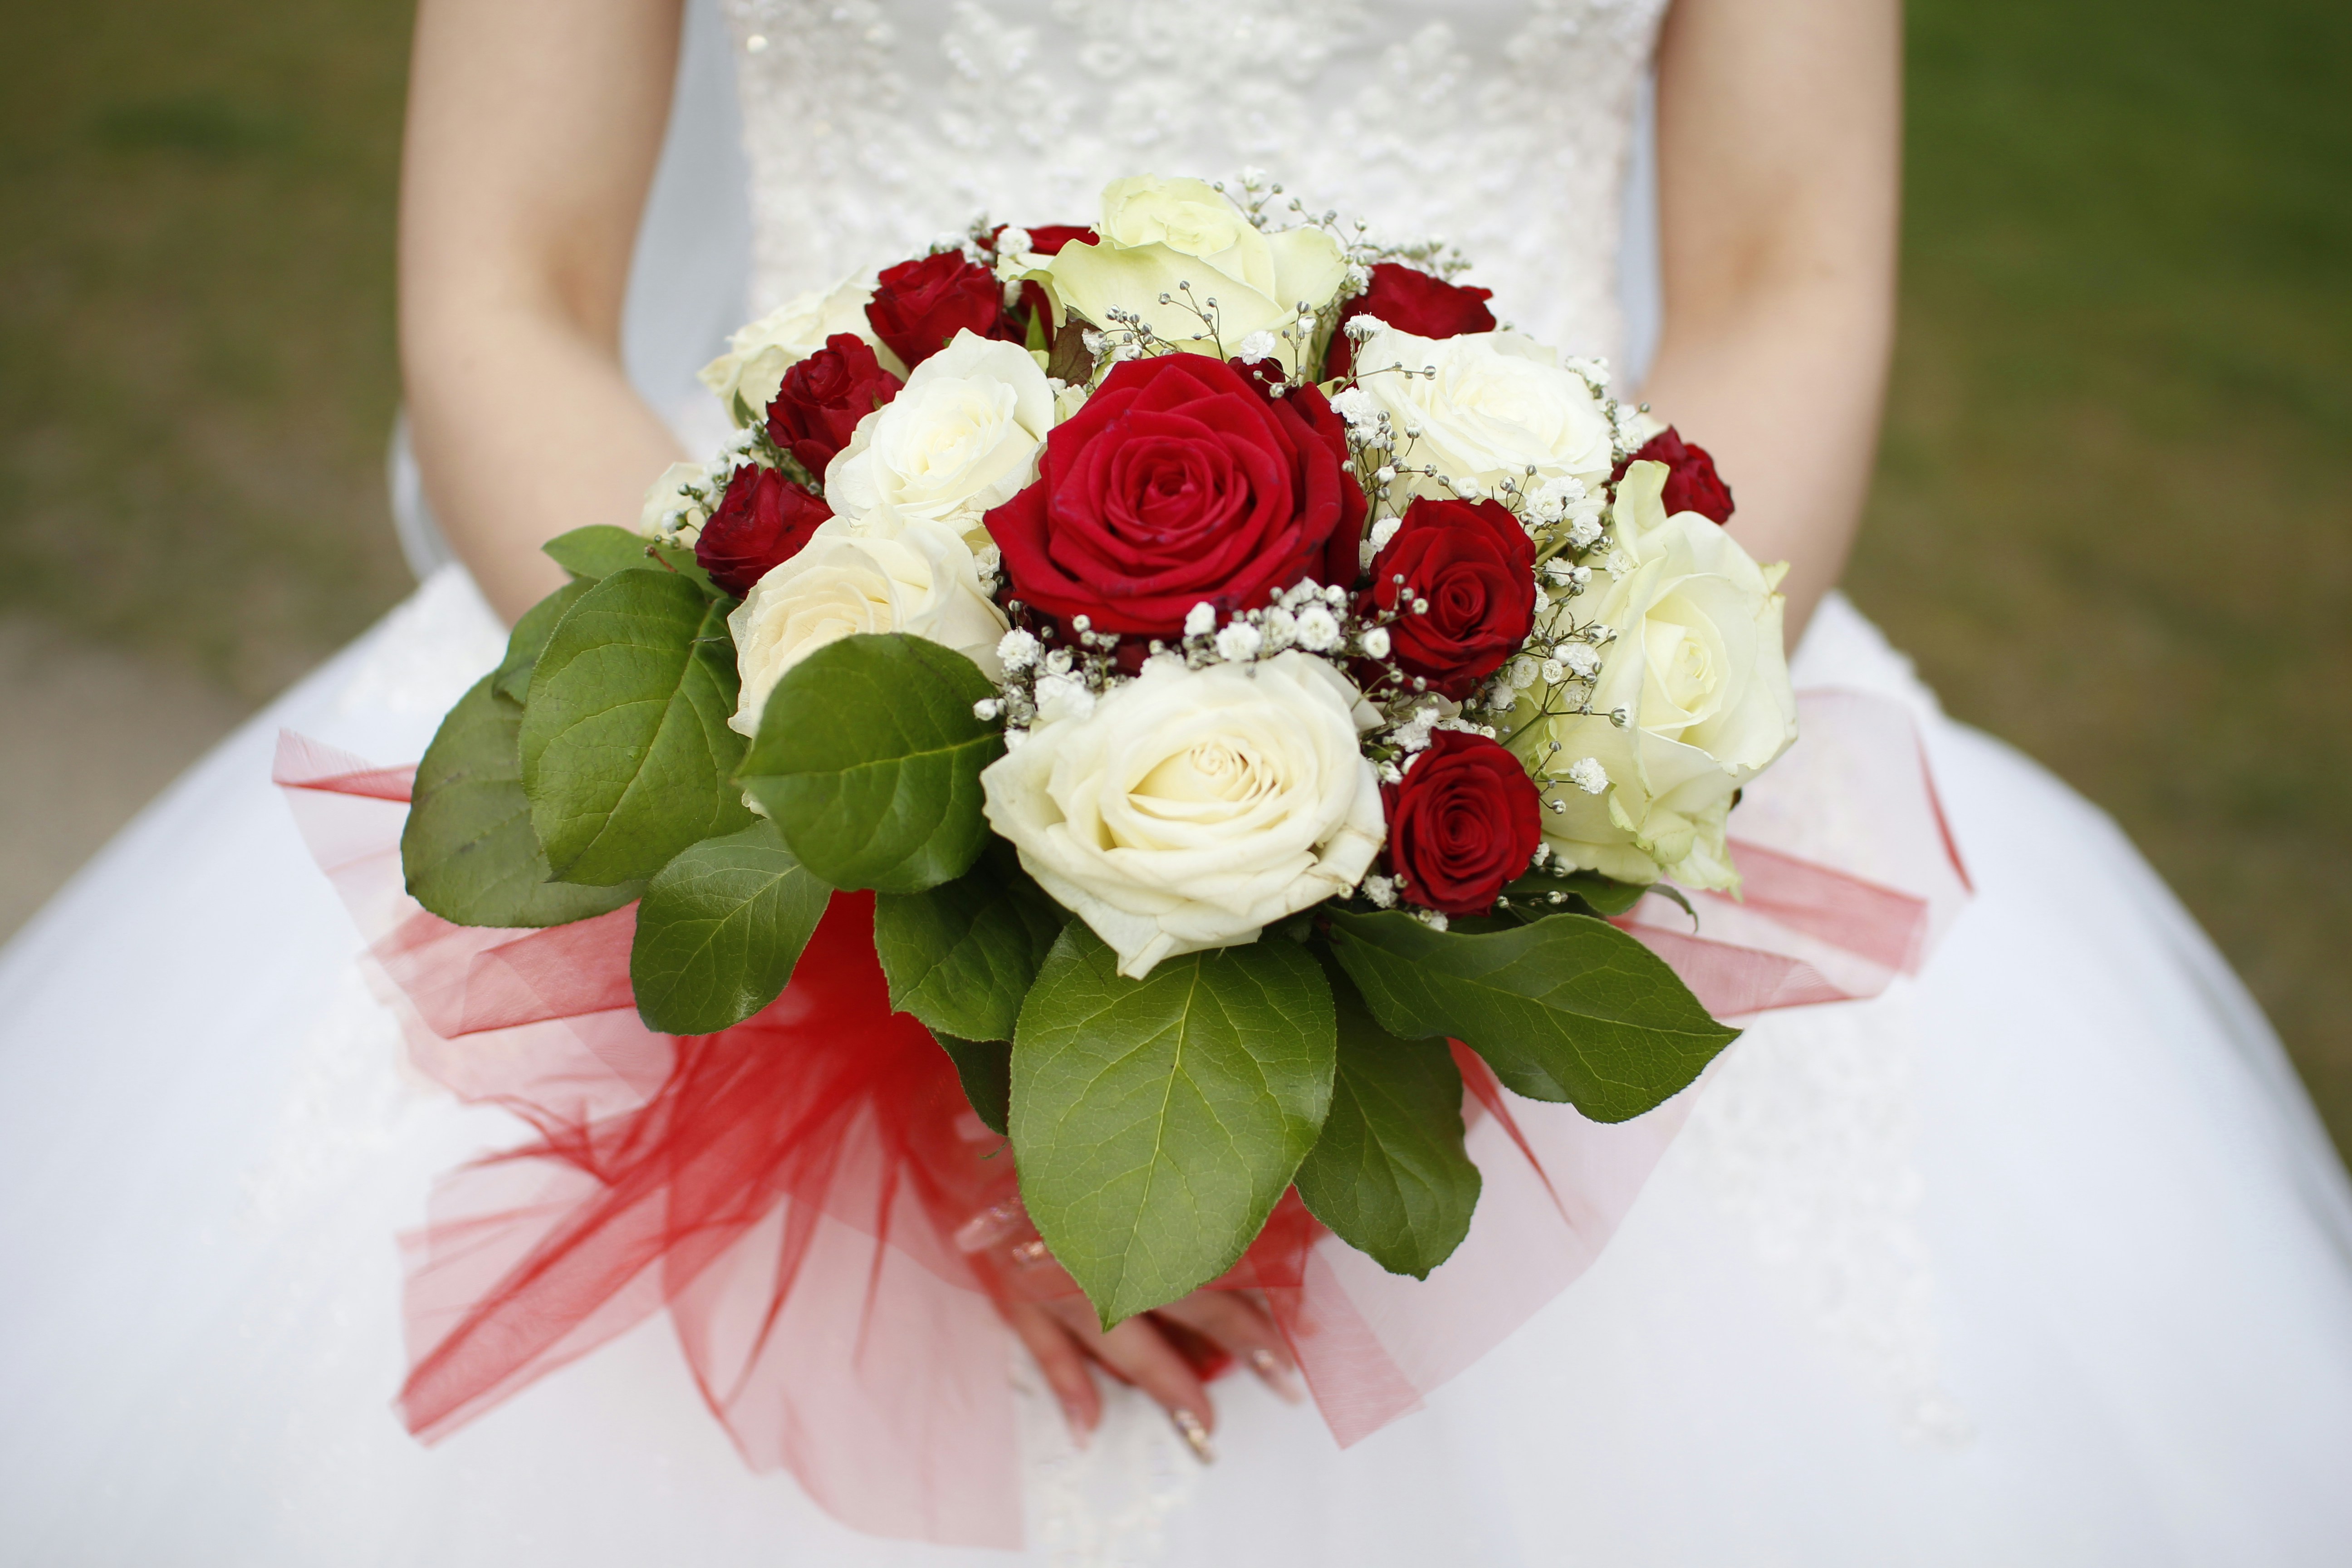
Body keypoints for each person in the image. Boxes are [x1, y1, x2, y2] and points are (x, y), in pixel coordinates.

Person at [4, 0, 2350, 1562]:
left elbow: (1790, 267)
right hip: (766, 727)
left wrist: (1508, 816)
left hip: (1534, 768)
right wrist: (877, 945)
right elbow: (499, 288)